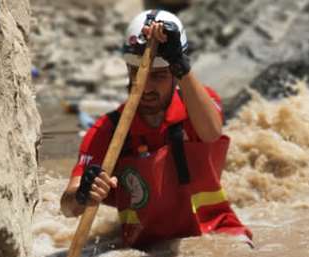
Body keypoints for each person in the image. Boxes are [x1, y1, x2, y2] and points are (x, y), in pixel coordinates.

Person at [60, 9, 252, 248]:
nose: (147, 87)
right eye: (137, 73)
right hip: (144, 246)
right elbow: (68, 208)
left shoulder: (196, 106)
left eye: (159, 76)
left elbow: (212, 133)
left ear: (175, 73)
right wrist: (82, 194)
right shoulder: (107, 130)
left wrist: (180, 64)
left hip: (215, 234)